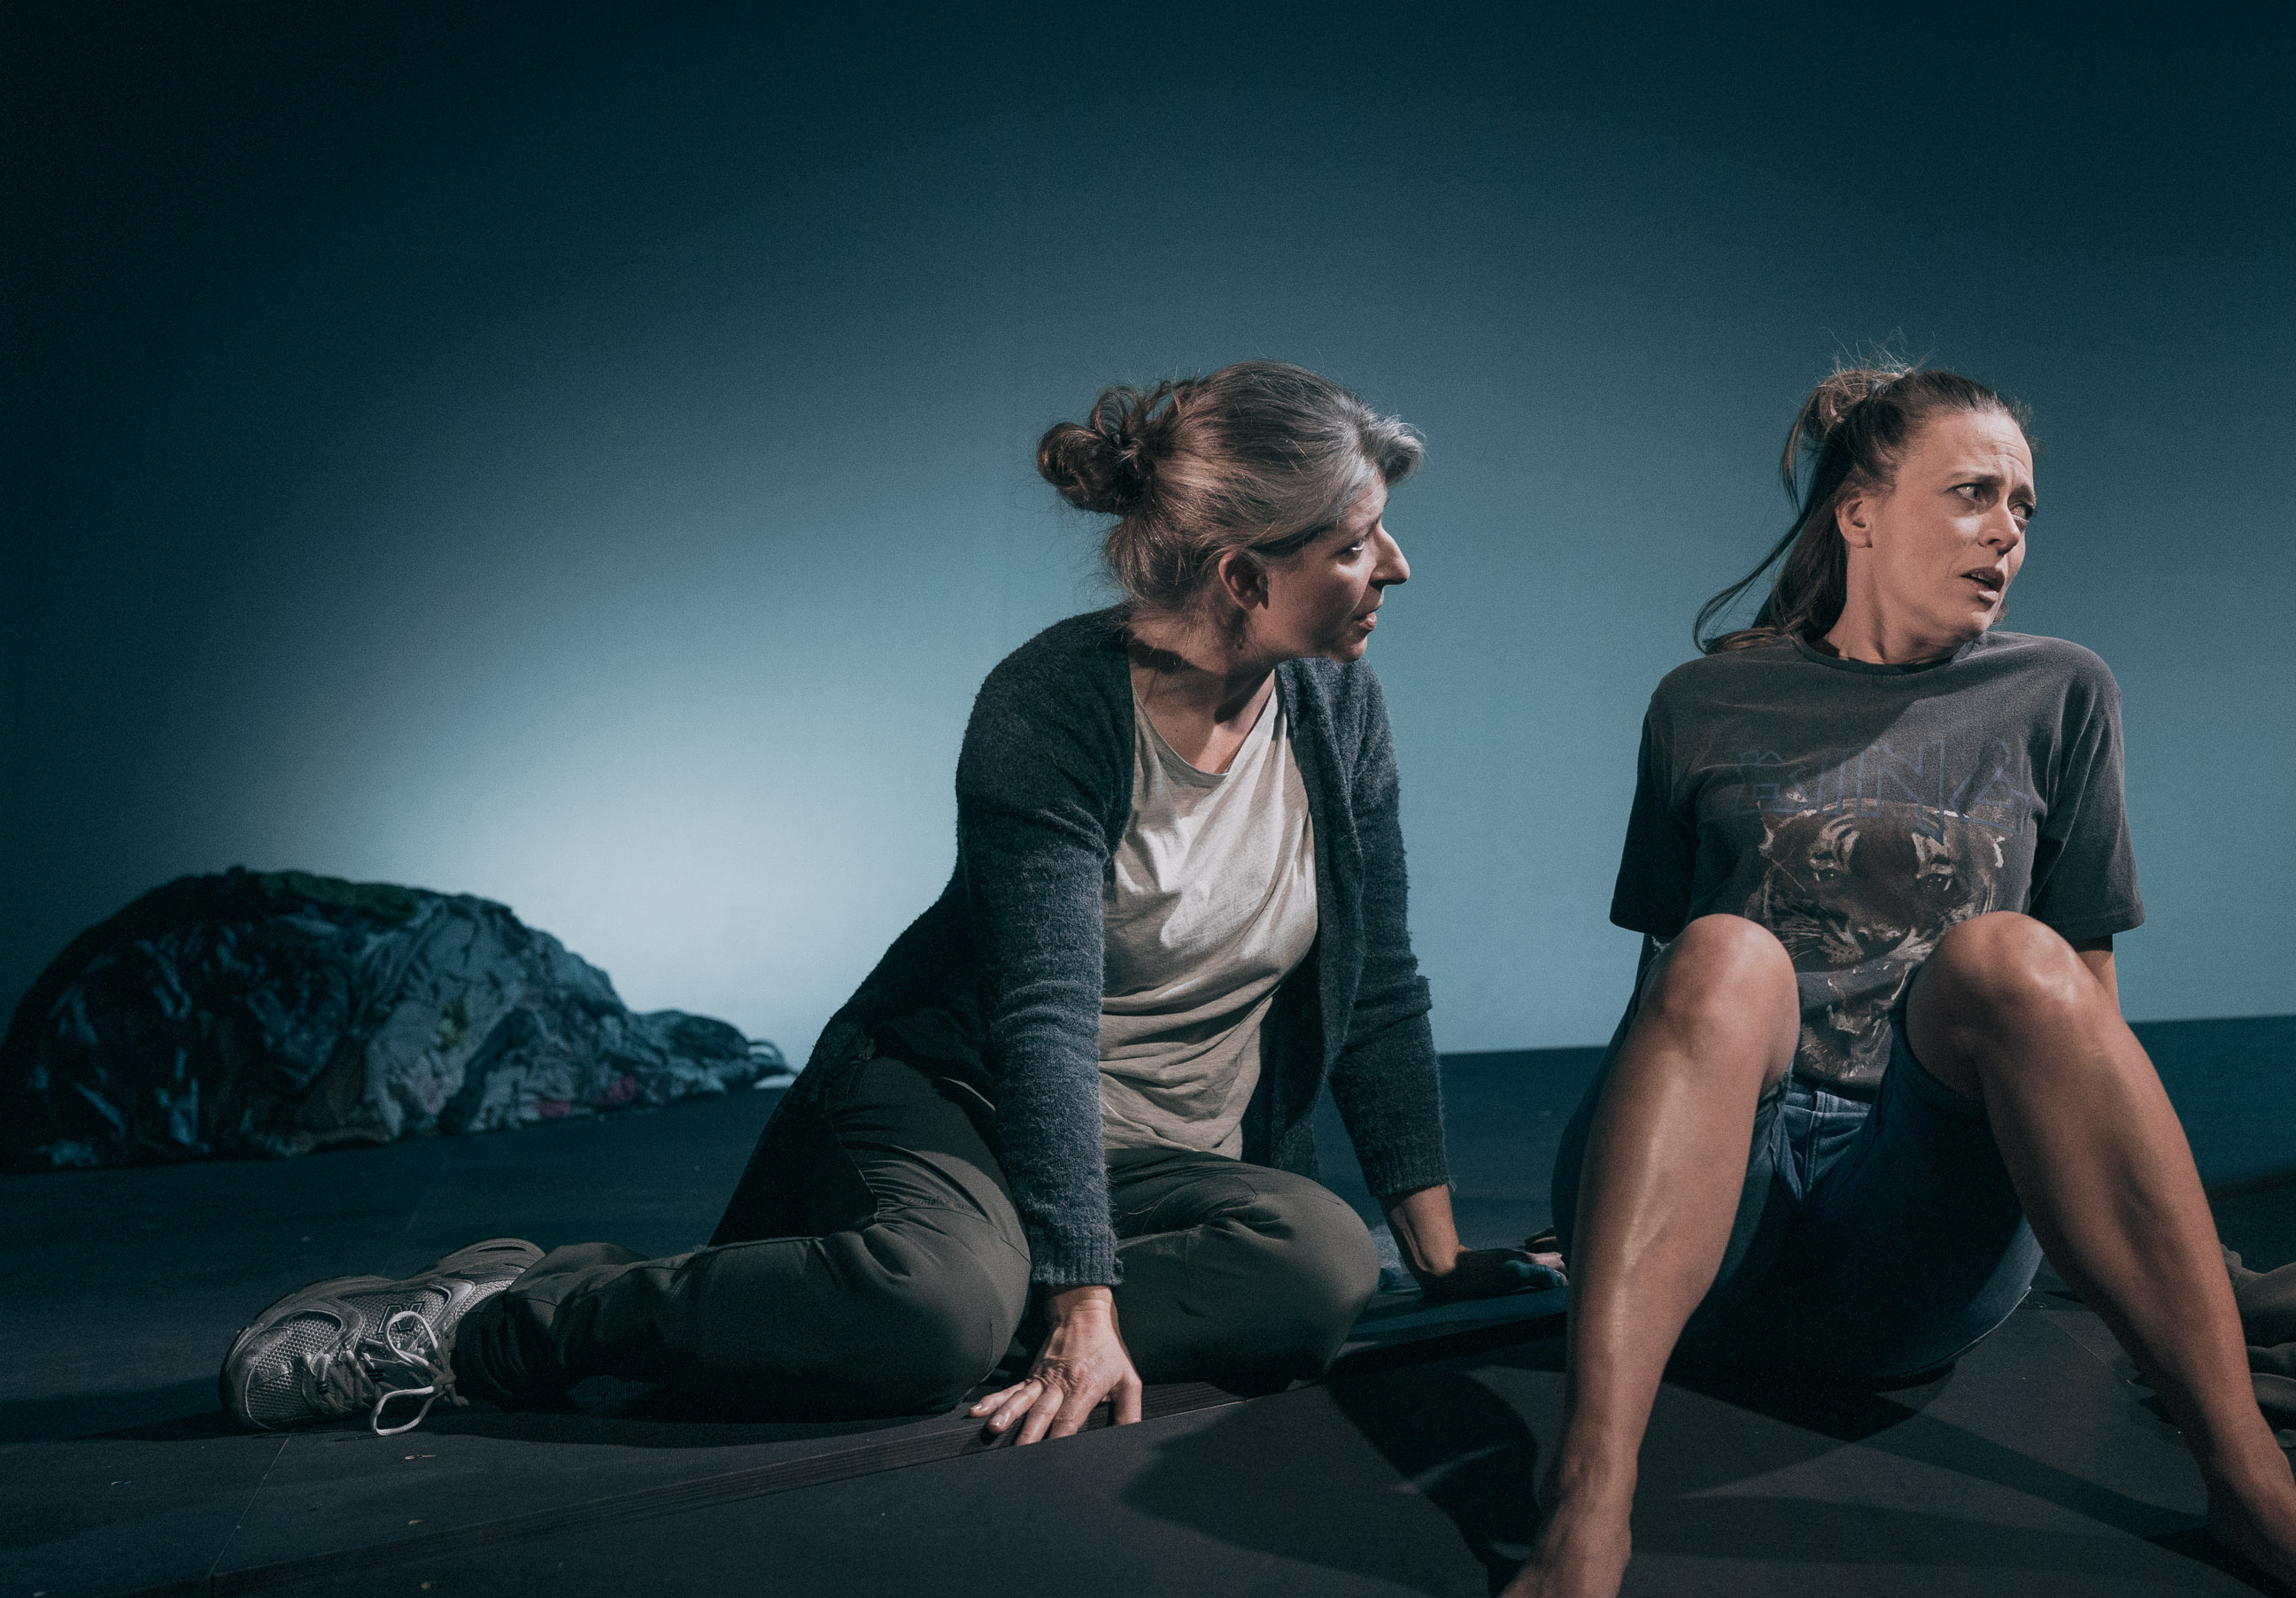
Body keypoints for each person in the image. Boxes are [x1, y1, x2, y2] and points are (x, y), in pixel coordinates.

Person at [221, 360, 1550, 1442]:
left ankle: (958, 1292)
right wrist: (1084, 1308)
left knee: (1322, 1267)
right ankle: (506, 1320)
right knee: (934, 1320)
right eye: (1356, 542)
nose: (1396, 565)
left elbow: (1378, 985)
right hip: (963, 1094)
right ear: (1244, 576)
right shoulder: (1050, 711)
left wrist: (1436, 1261)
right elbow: (1040, 1022)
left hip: (1153, 1155)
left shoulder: (1339, 713)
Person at [1476, 360, 2296, 1598]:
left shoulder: (2061, 692)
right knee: (1728, 952)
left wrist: (2147, 1252)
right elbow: (1665, 989)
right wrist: (1603, 1221)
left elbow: (2083, 1001)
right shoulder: (1701, 702)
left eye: (2024, 509)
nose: (2007, 533)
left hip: (1912, 1235)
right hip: (1718, 1233)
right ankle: (1589, 1491)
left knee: (2013, 957)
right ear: (1859, 512)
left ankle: (2253, 1484)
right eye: (1974, 494)